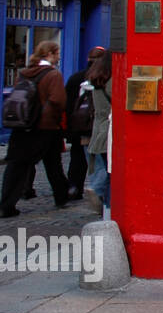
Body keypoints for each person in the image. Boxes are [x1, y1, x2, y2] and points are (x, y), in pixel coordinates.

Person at [0, 41, 70, 217]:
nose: (59, 56)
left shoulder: (24, 73)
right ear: (50, 54)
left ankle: (6, 205)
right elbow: (59, 100)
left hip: (22, 125)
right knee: (53, 164)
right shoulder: (53, 75)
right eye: (57, 53)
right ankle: (61, 197)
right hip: (46, 126)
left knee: (16, 166)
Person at [63, 47, 103, 200]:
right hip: (93, 125)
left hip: (77, 125)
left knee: (77, 158)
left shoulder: (75, 78)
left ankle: (74, 187)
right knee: (97, 159)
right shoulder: (102, 77)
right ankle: (97, 190)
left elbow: (66, 104)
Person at [83, 47, 111, 215]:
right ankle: (98, 190)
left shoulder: (95, 80)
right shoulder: (110, 82)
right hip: (109, 129)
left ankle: (102, 198)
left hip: (98, 128)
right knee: (110, 171)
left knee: (104, 166)